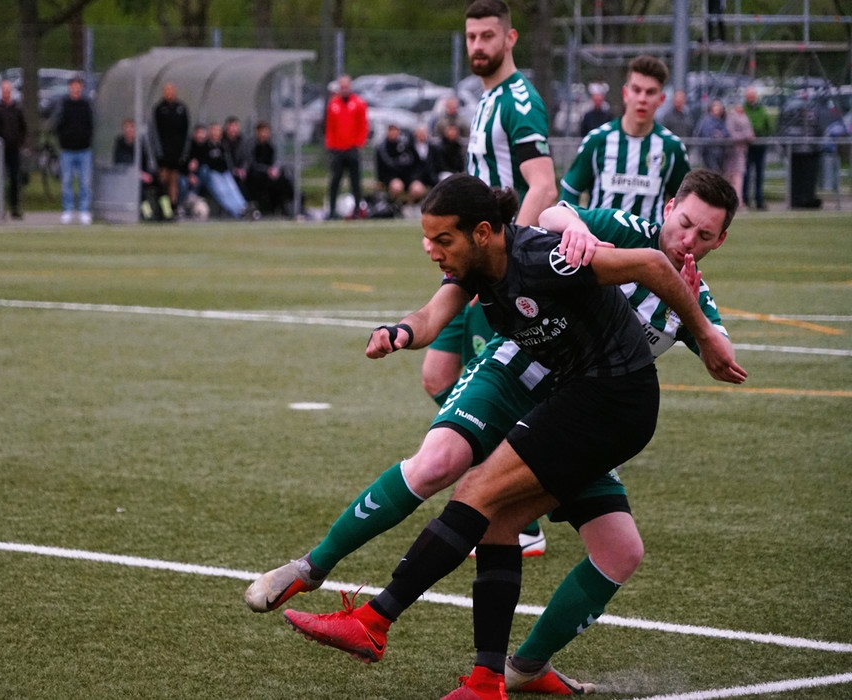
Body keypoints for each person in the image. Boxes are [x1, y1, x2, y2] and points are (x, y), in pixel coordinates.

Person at [279, 173, 746, 699]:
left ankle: (375, 620)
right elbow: (553, 214)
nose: (689, 240)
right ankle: (490, 678)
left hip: (600, 400)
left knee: (477, 493)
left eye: (705, 235)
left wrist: (702, 329)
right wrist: (573, 227)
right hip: (558, 389)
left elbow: (688, 308)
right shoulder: (553, 246)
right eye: (685, 224)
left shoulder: (548, 263)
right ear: (669, 208)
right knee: (494, 514)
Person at [427, 0, 558, 551]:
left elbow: (543, 183)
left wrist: (509, 259)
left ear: (510, 38)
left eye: (488, 36)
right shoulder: (487, 100)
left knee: (494, 380)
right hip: (475, 263)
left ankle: (523, 511)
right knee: (438, 374)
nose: (478, 46)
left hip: (498, 265)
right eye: (472, 37)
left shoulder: (518, 99)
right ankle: (524, 478)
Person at [561, 55, 690, 225]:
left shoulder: (672, 147)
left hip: (648, 242)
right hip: (599, 240)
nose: (642, 99)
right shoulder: (597, 141)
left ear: (661, 99)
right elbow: (570, 190)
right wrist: (575, 227)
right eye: (636, 90)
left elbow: (685, 203)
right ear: (625, 94)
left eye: (650, 92)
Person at [324, 75, 369, 220]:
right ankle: (332, 210)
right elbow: (330, 127)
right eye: (342, 86)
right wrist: (331, 145)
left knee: (355, 181)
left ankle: (357, 210)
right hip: (337, 149)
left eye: (346, 86)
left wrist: (358, 144)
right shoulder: (333, 104)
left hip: (352, 148)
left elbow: (363, 125)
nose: (344, 89)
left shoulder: (358, 103)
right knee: (335, 181)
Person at [54, 76, 94, 225]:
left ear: (81, 87)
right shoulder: (64, 104)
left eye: (78, 86)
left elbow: (90, 124)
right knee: (66, 181)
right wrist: (63, 139)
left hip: (84, 150)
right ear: (70, 87)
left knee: (85, 182)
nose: (76, 88)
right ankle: (68, 210)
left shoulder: (86, 105)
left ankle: (84, 210)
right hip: (67, 150)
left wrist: (87, 138)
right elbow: (58, 124)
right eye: (73, 86)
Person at [0, 79, 27, 219]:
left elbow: (23, 127)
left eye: (8, 90)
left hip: (14, 149)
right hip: (0, 149)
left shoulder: (17, 108)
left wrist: (20, 141)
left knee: (15, 179)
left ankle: (15, 207)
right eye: (4, 90)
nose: (6, 93)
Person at [113, 118, 168, 221]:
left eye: (132, 129)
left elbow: (145, 161)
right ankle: (147, 214)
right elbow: (120, 162)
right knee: (139, 187)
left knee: (159, 183)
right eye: (127, 129)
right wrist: (138, 174)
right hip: (127, 176)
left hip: (143, 174)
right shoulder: (120, 144)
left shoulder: (139, 144)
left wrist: (148, 174)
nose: (129, 132)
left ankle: (166, 212)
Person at [200, 122, 253, 220]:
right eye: (213, 130)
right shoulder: (205, 146)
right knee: (223, 192)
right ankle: (237, 212)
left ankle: (244, 208)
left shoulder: (223, 145)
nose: (215, 133)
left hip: (225, 172)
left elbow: (228, 160)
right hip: (213, 173)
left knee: (233, 189)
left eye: (217, 131)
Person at [152, 82, 190, 214]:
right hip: (163, 153)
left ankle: (173, 208)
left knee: (174, 181)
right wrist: (158, 152)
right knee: (163, 180)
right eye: (167, 90)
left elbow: (186, 131)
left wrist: (184, 152)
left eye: (171, 90)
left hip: (177, 153)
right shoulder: (159, 109)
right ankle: (162, 208)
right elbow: (155, 132)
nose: (169, 93)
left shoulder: (181, 108)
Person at [247, 121, 298, 217]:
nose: (264, 134)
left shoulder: (272, 145)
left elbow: (277, 160)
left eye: (266, 132)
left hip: (272, 173)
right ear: (257, 133)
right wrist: (267, 170)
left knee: (284, 180)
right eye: (262, 132)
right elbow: (252, 164)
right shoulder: (252, 145)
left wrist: (275, 169)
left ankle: (288, 206)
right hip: (258, 174)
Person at [375, 123, 425, 205]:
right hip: (391, 177)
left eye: (395, 130)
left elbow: (414, 161)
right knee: (397, 187)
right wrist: (401, 163)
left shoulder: (405, 144)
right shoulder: (382, 147)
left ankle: (412, 206)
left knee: (418, 188)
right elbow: (389, 164)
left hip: (408, 176)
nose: (393, 133)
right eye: (391, 130)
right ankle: (396, 206)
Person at [742, 86, 772, 210]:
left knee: (760, 174)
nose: (751, 98)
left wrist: (763, 135)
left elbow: (768, 125)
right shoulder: (743, 109)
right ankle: (745, 198)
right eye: (749, 96)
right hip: (747, 147)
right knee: (746, 174)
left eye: (753, 95)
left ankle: (759, 199)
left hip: (760, 145)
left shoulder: (761, 109)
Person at [724, 102, 754, 206]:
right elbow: (732, 134)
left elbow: (750, 131)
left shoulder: (745, 116)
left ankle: (738, 201)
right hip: (732, 152)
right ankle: (734, 201)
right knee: (733, 177)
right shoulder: (731, 118)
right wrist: (746, 136)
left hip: (742, 151)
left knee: (739, 176)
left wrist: (750, 136)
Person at [693, 99, 728, 173]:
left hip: (721, 153)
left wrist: (721, 134)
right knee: (712, 172)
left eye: (719, 106)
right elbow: (705, 133)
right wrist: (716, 136)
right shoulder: (706, 120)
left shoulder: (723, 120)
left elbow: (726, 132)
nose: (717, 108)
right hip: (709, 152)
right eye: (715, 106)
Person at [222, 116, 250, 198]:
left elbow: (246, 157)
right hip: (225, 170)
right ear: (227, 128)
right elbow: (224, 159)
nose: (234, 129)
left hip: (240, 169)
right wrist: (233, 170)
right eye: (232, 126)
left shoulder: (242, 140)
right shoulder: (221, 141)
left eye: (236, 126)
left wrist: (243, 169)